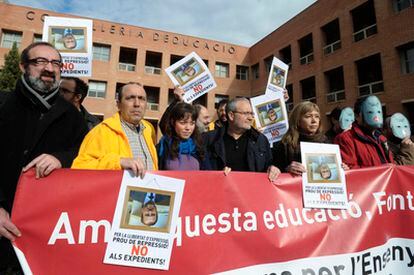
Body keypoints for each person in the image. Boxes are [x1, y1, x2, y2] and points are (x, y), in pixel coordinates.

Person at [0, 42, 88, 272]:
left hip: (44, 234)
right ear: (23, 66)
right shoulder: (2, 103)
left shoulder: (72, 117)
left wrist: (62, 158)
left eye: (55, 63)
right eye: (40, 61)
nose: (49, 68)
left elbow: (85, 156)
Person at [72, 82, 158, 177]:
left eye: (141, 99)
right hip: (116, 191)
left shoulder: (148, 129)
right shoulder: (101, 131)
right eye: (130, 98)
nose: (137, 104)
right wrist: (118, 162)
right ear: (118, 104)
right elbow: (79, 167)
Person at [203, 97, 280, 181]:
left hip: (252, 191)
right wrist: (217, 175)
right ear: (231, 115)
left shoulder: (260, 140)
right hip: (220, 191)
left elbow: (269, 164)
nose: (250, 118)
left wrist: (273, 168)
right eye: (246, 113)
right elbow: (201, 170)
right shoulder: (210, 139)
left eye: (251, 114)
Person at [335, 95, 394, 169]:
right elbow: (351, 170)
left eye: (378, 112)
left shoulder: (382, 139)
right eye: (370, 112)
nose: (375, 116)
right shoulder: (346, 139)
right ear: (357, 116)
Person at [272, 101, 327, 176]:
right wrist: (286, 170)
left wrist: (342, 168)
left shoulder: (326, 142)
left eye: (317, 116)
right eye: (308, 116)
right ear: (297, 121)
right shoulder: (284, 145)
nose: (314, 121)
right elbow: (274, 172)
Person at [157, 102, 209, 170]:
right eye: (183, 123)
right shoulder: (163, 146)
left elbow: (209, 173)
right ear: (173, 122)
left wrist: (223, 173)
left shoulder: (199, 146)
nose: (188, 128)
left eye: (192, 123)